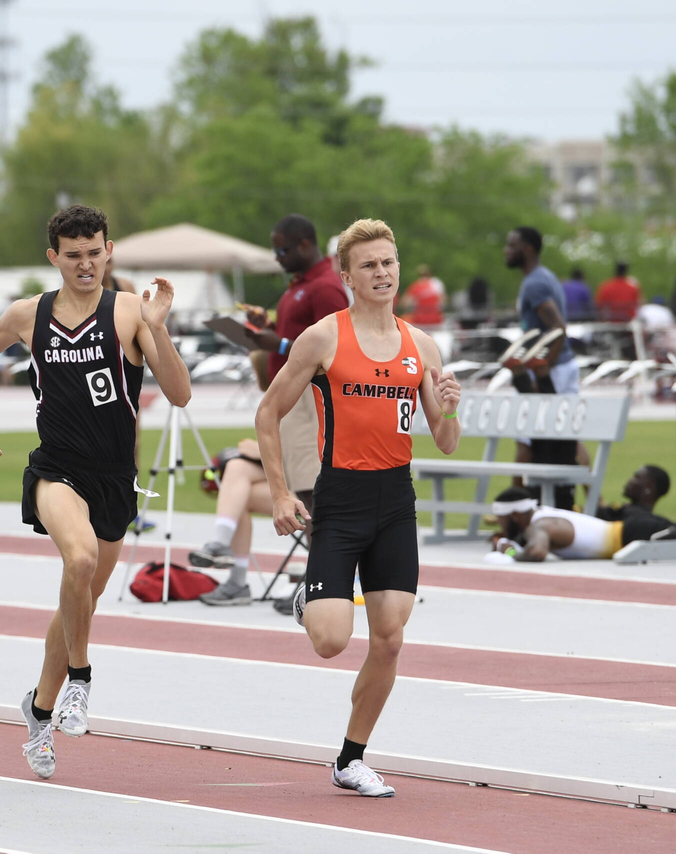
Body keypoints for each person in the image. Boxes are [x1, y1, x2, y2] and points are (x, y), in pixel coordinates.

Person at [0, 205, 191, 780]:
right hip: (55, 471)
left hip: (115, 478)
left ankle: (39, 709)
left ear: (109, 250)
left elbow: (180, 394)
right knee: (80, 558)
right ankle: (82, 682)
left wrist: (158, 325)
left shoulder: (131, 312)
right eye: (73, 255)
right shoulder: (28, 314)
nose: (85, 264)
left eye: (95, 252)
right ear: (54, 258)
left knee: (78, 601)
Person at [256, 218, 462, 798]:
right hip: (341, 499)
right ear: (346, 275)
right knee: (329, 641)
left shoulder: (422, 346)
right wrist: (278, 491)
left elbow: (445, 440)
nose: (382, 273)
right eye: (369, 265)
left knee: (391, 637)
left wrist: (447, 407)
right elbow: (267, 413)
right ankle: (311, 597)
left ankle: (351, 759)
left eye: (389, 262)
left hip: (396, 500)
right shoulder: (323, 338)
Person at [237, 214, 349, 612]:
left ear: (305, 245)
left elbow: (335, 347)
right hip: (287, 400)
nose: (278, 257)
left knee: (311, 494)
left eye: (283, 249)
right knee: (304, 494)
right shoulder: (299, 286)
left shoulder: (324, 287)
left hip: (308, 402)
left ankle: (322, 584)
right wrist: (267, 330)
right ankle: (317, 579)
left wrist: (277, 343)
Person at [504, 227, 580, 505]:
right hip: (559, 368)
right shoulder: (542, 277)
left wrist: (542, 370)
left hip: (553, 370)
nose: (506, 250)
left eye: (511, 245)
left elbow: (557, 328)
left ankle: (514, 504)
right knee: (569, 439)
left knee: (525, 439)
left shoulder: (535, 283)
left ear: (528, 250)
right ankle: (596, 500)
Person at [490, 485, 671, 562]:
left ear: (514, 515)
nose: (500, 524)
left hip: (631, 535)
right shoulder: (542, 515)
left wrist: (511, 552)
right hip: (630, 530)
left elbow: (537, 552)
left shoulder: (538, 525)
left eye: (501, 519)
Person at [188, 439, 269, 605]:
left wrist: (264, 451)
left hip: (315, 484)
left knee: (238, 495)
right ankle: (221, 545)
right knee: (236, 468)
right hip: (291, 474)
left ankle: (222, 549)